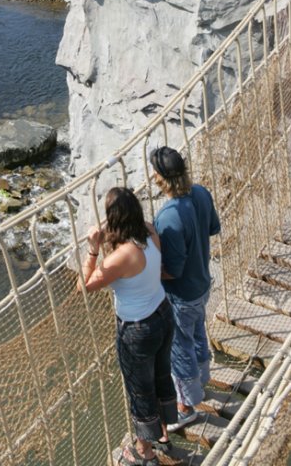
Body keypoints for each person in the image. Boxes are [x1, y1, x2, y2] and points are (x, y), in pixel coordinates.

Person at [81, 187, 177, 466]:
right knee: (161, 375)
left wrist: (93, 249)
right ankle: (163, 434)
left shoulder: (120, 257)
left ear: (113, 219)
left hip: (137, 330)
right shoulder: (149, 231)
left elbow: (84, 286)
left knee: (140, 389)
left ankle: (143, 452)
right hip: (163, 313)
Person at [150, 146, 221, 432]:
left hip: (181, 295)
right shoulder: (201, 192)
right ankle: (202, 380)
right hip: (202, 283)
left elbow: (172, 270)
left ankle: (186, 406)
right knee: (198, 334)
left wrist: (144, 275)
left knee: (179, 349)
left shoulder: (168, 217)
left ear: (158, 177)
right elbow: (213, 228)